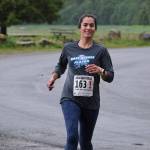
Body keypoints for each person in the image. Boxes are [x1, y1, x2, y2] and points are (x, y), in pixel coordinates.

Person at [47, 14, 114, 150]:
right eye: (85, 25)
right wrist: (53, 77)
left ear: (95, 28)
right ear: (80, 27)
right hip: (70, 97)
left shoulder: (101, 50)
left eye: (91, 25)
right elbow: (61, 65)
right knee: (72, 137)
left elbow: (110, 76)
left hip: (91, 101)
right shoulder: (68, 48)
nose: (88, 28)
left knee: (85, 143)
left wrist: (100, 70)